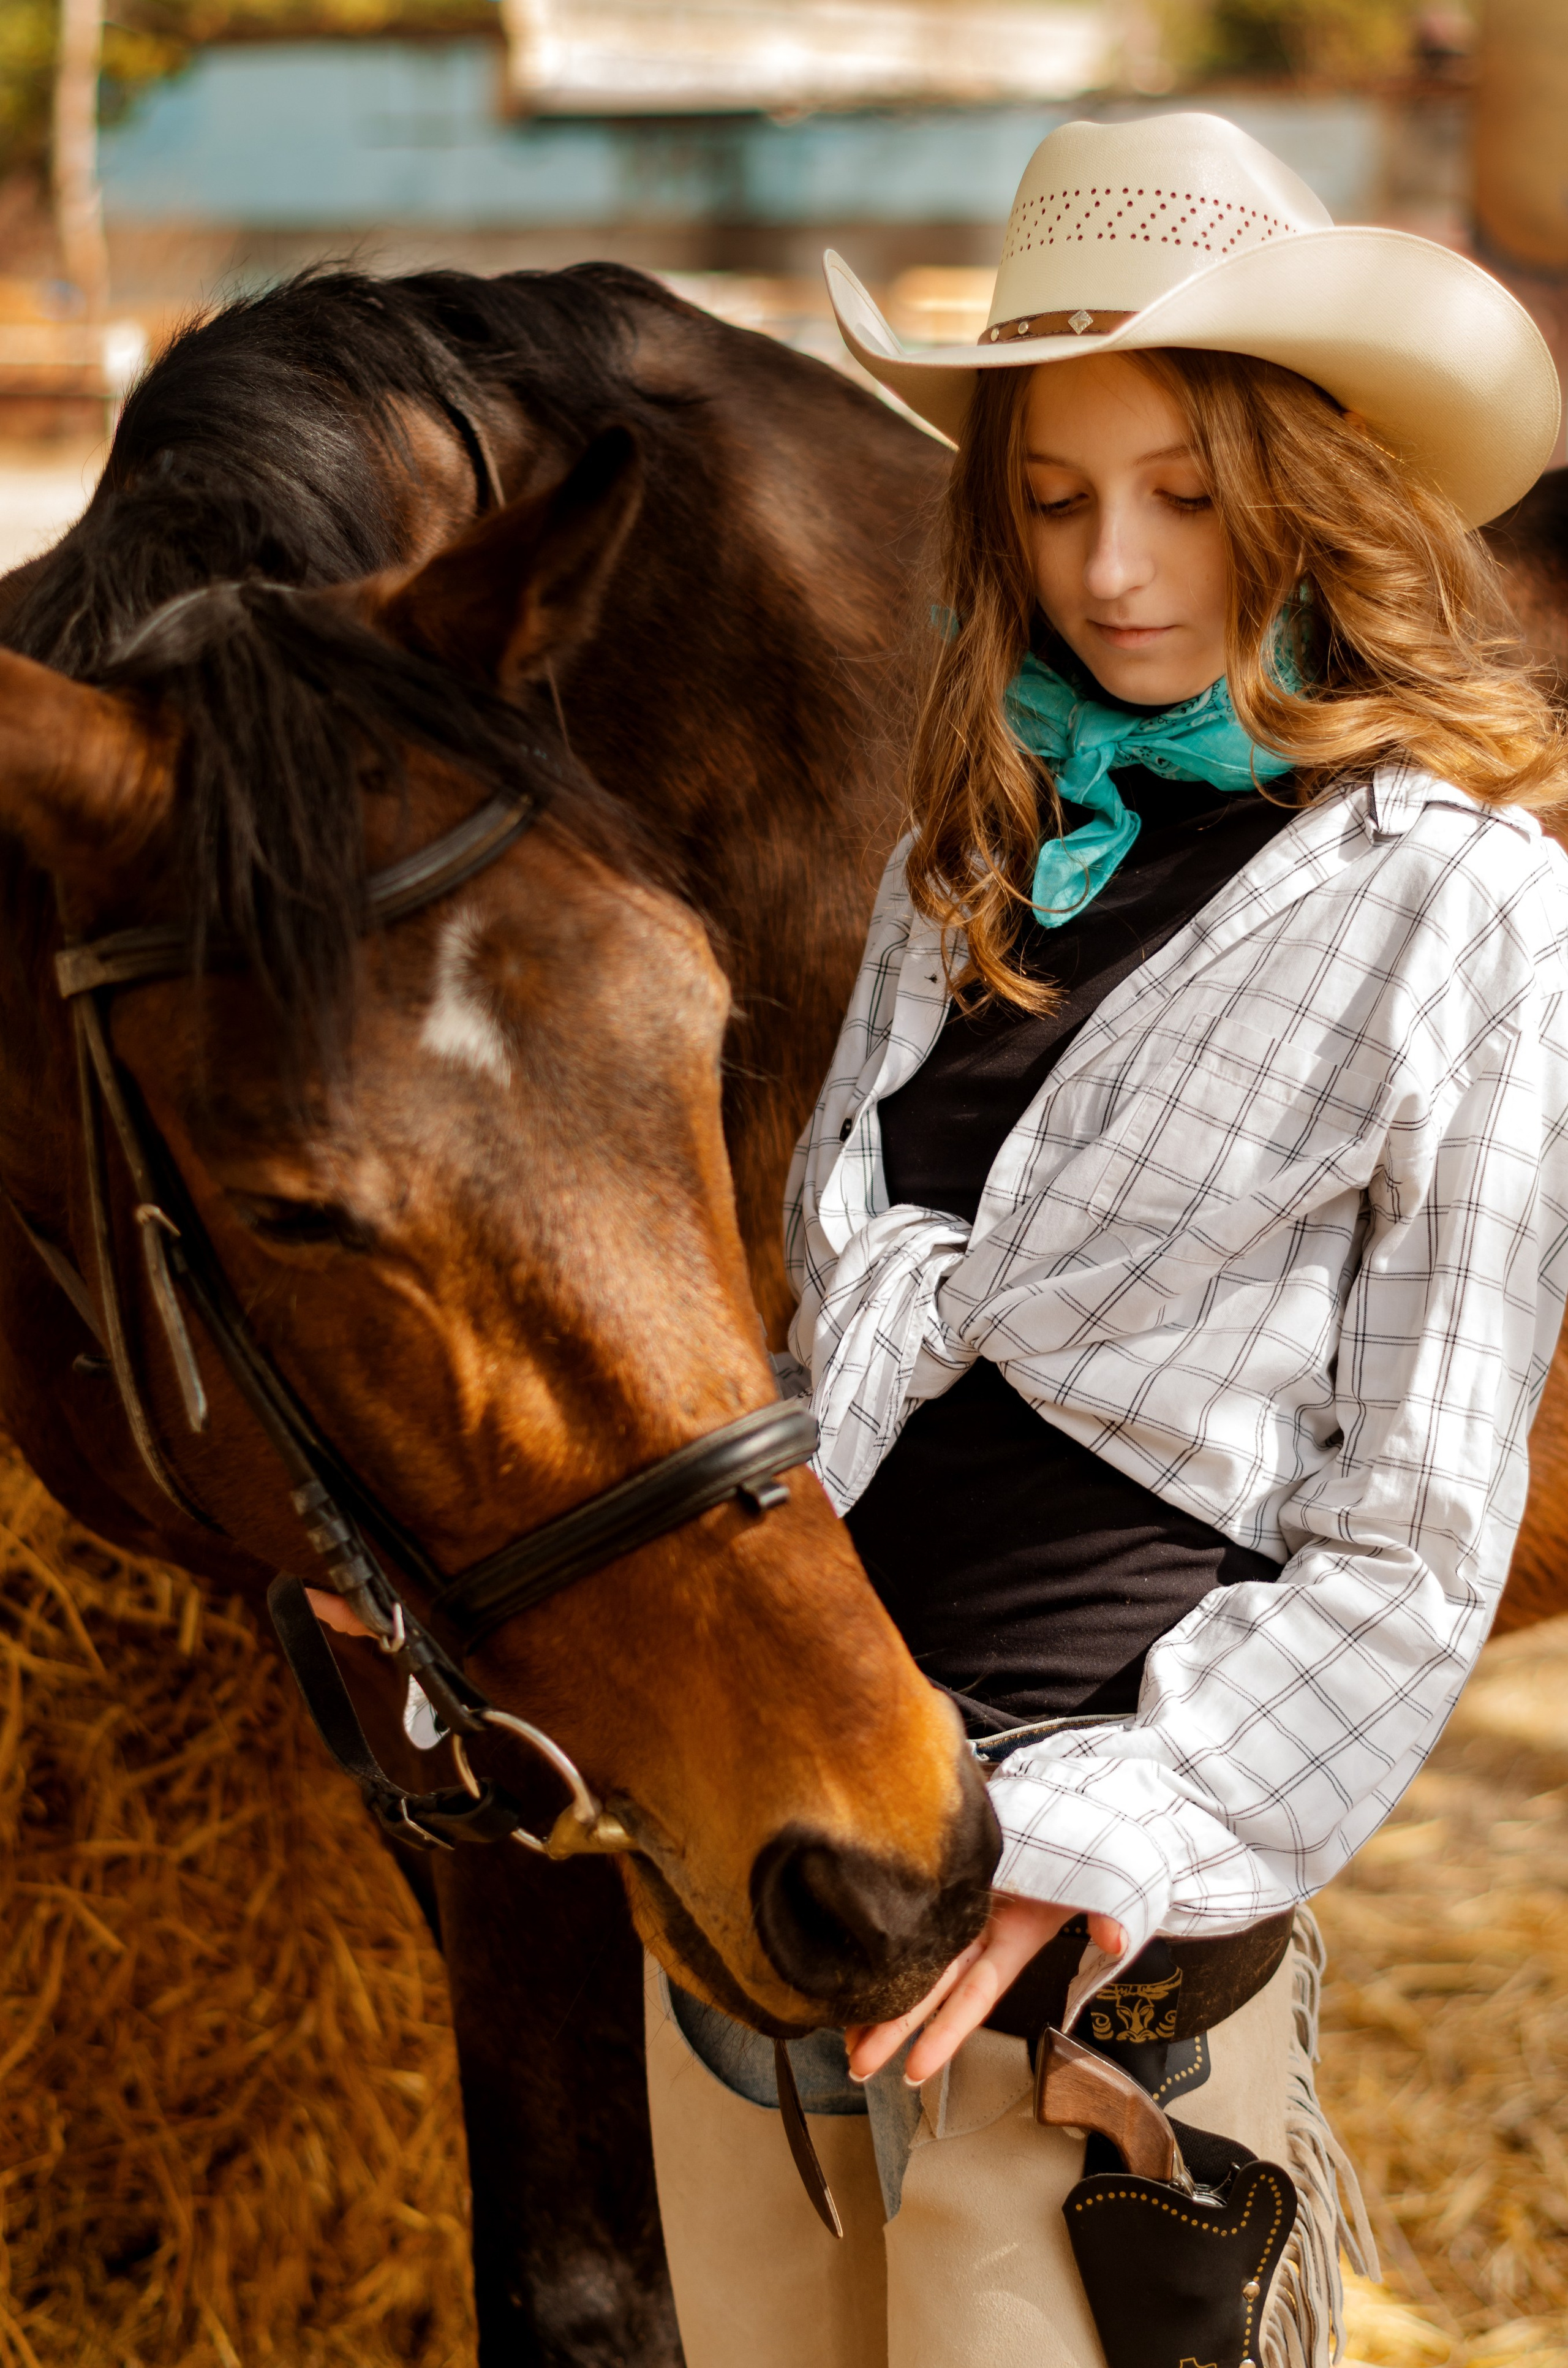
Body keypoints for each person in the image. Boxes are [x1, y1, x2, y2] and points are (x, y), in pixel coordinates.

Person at [643, 112, 1568, 2368]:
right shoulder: (957, 862)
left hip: (1088, 1928)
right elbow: (831, 1348)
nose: (1117, 570)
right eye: (1054, 502)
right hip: (779, 1876)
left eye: (1182, 493)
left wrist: (1142, 1817)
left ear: (1307, 487)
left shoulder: (1462, 904)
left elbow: (1419, 1522)